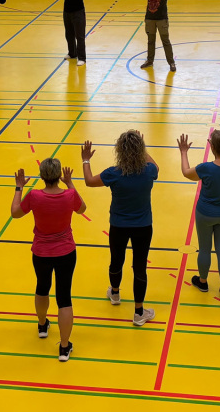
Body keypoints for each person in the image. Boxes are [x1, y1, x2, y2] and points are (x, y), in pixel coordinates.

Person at [10, 159, 87, 362]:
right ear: (59, 174)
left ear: (42, 175)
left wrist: (19, 187)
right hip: (66, 252)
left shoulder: (34, 196)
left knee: (42, 287)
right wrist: (70, 183)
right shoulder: (69, 195)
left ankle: (43, 325)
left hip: (41, 253)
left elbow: (15, 213)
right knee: (64, 297)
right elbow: (82, 209)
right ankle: (63, 347)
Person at [81, 130, 158, 325]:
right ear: (140, 150)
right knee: (139, 267)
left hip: (118, 226)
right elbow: (156, 166)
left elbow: (89, 182)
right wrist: (142, 145)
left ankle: (115, 294)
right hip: (143, 226)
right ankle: (139, 313)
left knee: (116, 260)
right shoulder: (149, 171)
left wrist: (86, 160)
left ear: (119, 151)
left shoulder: (113, 173)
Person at [177, 130, 220, 301]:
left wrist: (183, 152)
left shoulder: (206, 168)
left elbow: (186, 172)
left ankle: (203, 282)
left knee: (205, 248)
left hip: (205, 213)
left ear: (212, 147)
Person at [130, 0, 176, 72]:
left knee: (165, 41)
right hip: (150, 18)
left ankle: (171, 62)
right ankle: (149, 61)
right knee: (151, 41)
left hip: (162, 19)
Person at [52, 0, 87, 66]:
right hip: (67, 13)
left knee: (79, 36)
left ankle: (82, 58)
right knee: (69, 34)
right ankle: (72, 53)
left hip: (78, 13)